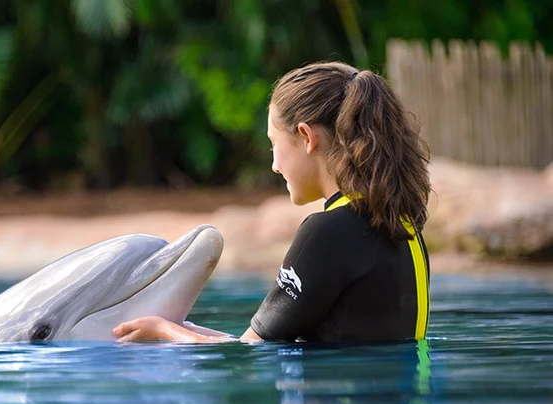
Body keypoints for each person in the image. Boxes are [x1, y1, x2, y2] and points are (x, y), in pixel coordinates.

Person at [113, 61, 431, 343]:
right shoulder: (403, 226)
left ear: (307, 138)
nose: (274, 165)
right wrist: (183, 329)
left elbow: (251, 352)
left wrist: (164, 332)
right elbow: (266, 339)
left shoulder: (328, 232)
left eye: (273, 143)